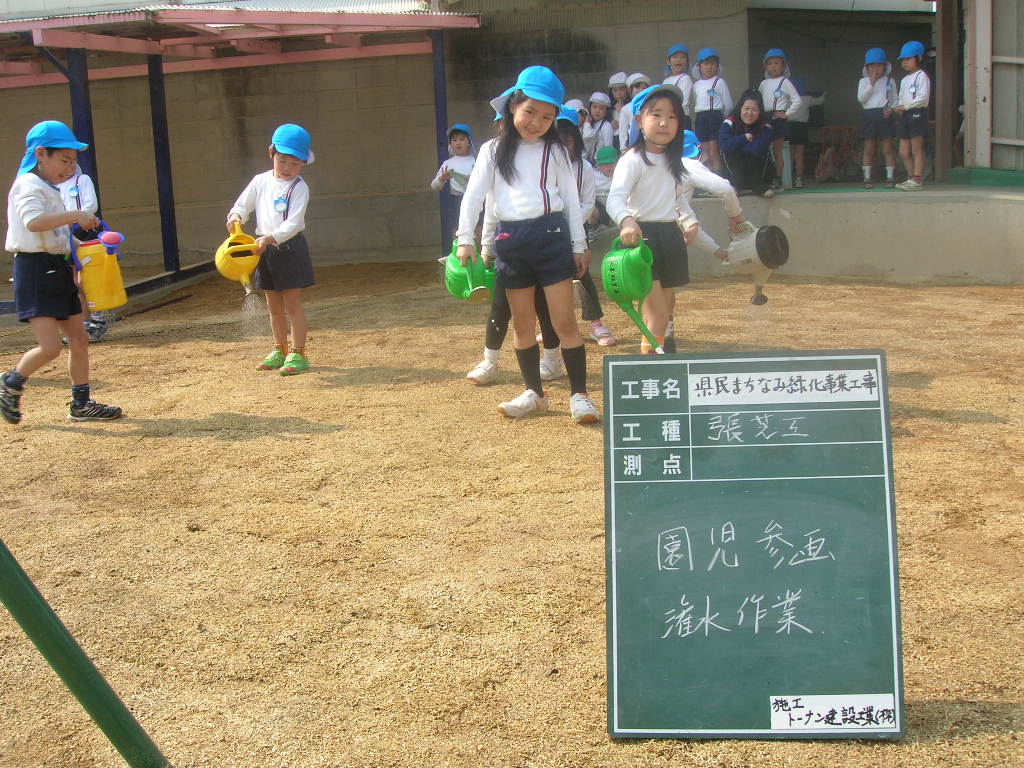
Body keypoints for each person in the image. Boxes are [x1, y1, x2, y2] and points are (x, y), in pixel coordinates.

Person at [456, 66, 598, 423]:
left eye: (547, 116)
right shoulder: (491, 151)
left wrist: (578, 244)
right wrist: (465, 238)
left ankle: (580, 395)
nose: (537, 122)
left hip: (552, 238)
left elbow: (570, 199)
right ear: (513, 106)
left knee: (564, 321)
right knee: (522, 325)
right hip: (511, 242)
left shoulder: (556, 151)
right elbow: (474, 197)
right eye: (530, 111)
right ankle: (534, 393)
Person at [1, 120, 123, 425]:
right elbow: (33, 222)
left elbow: (56, 233)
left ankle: (81, 404)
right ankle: (11, 382)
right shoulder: (28, 185)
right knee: (50, 347)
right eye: (65, 160)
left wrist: (86, 244)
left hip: (57, 266)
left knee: (79, 338)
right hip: (34, 269)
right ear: (41, 154)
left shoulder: (50, 188)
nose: (70, 168)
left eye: (73, 161)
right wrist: (74, 215)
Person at [606, 84, 695, 354]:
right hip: (641, 241)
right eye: (656, 114)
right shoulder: (632, 159)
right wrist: (627, 221)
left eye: (672, 116)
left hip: (670, 237)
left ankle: (658, 362)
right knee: (658, 318)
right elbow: (614, 198)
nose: (664, 122)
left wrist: (689, 221)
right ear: (639, 120)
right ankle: (651, 369)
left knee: (665, 312)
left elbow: (677, 198)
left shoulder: (674, 160)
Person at [227, 123, 315, 375]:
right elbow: (242, 204)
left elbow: (294, 223)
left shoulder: (299, 187)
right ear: (271, 153)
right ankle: (280, 349)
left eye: (295, 163)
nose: (288, 168)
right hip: (263, 250)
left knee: (293, 306)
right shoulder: (260, 181)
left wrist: (270, 238)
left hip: (289, 249)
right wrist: (235, 216)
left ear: (304, 163)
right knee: (273, 306)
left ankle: (298, 352)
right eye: (283, 160)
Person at [555, 105, 616, 349]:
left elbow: (588, 203)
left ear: (577, 141)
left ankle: (596, 324)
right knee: (548, 280)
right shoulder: (543, 166)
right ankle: (552, 326)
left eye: (568, 142)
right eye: (558, 142)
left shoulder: (585, 168)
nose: (564, 148)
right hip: (547, 231)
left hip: (576, 229)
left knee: (582, 274)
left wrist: (571, 225)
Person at [56, 165, 109, 342]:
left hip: (85, 233)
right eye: (65, 161)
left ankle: (98, 320)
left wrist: (73, 219)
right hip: (66, 235)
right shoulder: (52, 186)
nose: (70, 164)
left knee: (87, 281)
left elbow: (91, 205)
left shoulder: (82, 180)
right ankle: (83, 324)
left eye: (72, 160)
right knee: (76, 285)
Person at [757, 48, 802, 192]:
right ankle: (765, 178)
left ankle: (778, 180)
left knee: (778, 150)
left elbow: (797, 100)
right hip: (765, 118)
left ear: (783, 66)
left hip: (778, 118)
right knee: (763, 148)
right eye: (770, 63)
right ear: (766, 66)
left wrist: (787, 114)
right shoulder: (763, 84)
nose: (773, 67)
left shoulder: (785, 82)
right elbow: (758, 101)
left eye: (777, 63)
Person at [719, 90, 776, 198]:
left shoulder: (765, 125)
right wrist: (744, 138)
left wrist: (735, 144)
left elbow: (757, 148)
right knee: (728, 152)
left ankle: (760, 187)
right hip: (735, 173)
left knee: (760, 153)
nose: (749, 113)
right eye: (746, 108)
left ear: (760, 111)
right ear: (740, 108)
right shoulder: (729, 123)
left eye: (754, 109)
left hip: (757, 174)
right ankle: (735, 186)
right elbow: (724, 145)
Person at [430, 123, 477, 250]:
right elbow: (434, 186)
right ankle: (459, 258)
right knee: (458, 231)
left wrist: (474, 179)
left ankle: (480, 258)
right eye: (454, 140)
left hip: (475, 199)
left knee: (478, 229)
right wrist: (442, 179)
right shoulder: (448, 163)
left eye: (462, 139)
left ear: (469, 142)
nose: (458, 143)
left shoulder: (477, 161)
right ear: (450, 143)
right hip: (456, 202)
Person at [857, 47, 897, 189]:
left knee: (887, 148)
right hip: (869, 115)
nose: (875, 69)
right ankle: (867, 178)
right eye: (872, 65)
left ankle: (890, 177)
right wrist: (871, 83)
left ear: (885, 66)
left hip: (884, 114)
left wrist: (891, 109)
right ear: (867, 67)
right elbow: (861, 99)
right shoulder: (863, 81)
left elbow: (895, 100)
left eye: (879, 65)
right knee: (869, 149)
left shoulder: (890, 81)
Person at [894, 41, 930, 191]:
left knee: (917, 149)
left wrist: (906, 106)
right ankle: (911, 178)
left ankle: (917, 179)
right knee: (903, 151)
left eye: (908, 58)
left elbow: (923, 97)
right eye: (903, 59)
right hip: (905, 115)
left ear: (918, 58)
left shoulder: (922, 76)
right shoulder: (904, 79)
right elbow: (901, 97)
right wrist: (899, 107)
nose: (905, 62)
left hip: (917, 113)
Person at [691, 48, 733, 173]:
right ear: (699, 66)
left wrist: (724, 118)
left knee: (714, 150)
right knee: (704, 150)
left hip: (715, 116)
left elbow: (728, 104)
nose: (709, 67)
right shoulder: (696, 85)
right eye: (705, 63)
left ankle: (718, 177)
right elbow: (696, 101)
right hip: (700, 118)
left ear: (717, 65)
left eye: (712, 63)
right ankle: (708, 179)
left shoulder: (719, 82)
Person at [786, 80, 825, 189]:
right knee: (799, 154)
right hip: (801, 127)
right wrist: (825, 94)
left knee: (789, 155)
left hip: (788, 126)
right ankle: (799, 179)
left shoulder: (787, 98)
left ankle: (788, 179)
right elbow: (819, 101)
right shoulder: (807, 98)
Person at [662, 44, 694, 130]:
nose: (678, 60)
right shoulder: (666, 81)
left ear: (687, 61)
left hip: (681, 117)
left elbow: (684, 101)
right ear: (669, 61)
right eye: (675, 57)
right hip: (668, 118)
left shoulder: (685, 78)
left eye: (682, 57)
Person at [617, 73, 652, 151]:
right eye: (637, 87)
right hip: (632, 149)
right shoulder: (625, 109)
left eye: (644, 88)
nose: (641, 90)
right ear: (630, 90)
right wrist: (624, 150)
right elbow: (623, 133)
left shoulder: (652, 106)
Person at [582, 91, 615, 163]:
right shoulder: (589, 124)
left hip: (602, 164)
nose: (597, 111)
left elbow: (608, 146)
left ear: (606, 111)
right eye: (594, 107)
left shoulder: (607, 126)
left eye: (601, 108)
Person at [592, 145, 618, 226]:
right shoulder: (593, 176)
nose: (609, 167)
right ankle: (593, 229)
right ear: (598, 165)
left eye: (611, 163)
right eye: (605, 164)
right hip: (602, 209)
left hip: (620, 206)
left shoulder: (623, 173)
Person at [608, 72, 629, 139]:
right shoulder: (609, 107)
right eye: (615, 90)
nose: (618, 93)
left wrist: (622, 111)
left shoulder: (632, 105)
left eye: (622, 89)